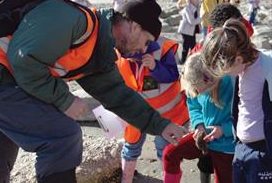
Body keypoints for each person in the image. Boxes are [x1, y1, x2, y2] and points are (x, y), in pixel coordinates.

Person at [0, 0, 188, 183]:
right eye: (147, 41)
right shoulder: (75, 21)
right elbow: (24, 60)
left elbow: (118, 96)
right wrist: (64, 99)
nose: (143, 49)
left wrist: (162, 125)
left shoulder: (99, 50)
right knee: (62, 136)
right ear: (135, 27)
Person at [201, 19, 272, 183]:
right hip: (241, 147)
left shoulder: (266, 67)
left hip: (263, 152)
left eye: (225, 70)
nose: (225, 75)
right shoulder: (243, 69)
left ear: (238, 59)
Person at [116, 33, 189, 182]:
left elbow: (173, 75)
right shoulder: (118, 52)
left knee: (165, 149)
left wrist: (155, 66)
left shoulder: (162, 47)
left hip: (166, 115)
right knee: (131, 147)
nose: (129, 55)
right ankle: (126, 179)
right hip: (136, 113)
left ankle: (169, 179)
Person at [163, 53, 235, 183]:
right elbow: (193, 105)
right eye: (193, 89)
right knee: (170, 153)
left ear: (209, 79)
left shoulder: (230, 82)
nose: (196, 92)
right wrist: (198, 125)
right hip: (205, 136)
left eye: (197, 89)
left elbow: (246, 119)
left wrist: (224, 130)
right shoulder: (195, 84)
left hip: (227, 145)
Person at [177, 0, 202, 64]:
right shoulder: (187, 8)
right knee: (186, 47)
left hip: (192, 31)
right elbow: (192, 21)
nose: (197, 0)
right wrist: (201, 18)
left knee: (193, 46)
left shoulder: (196, 8)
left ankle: (192, 61)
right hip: (186, 31)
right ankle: (182, 61)